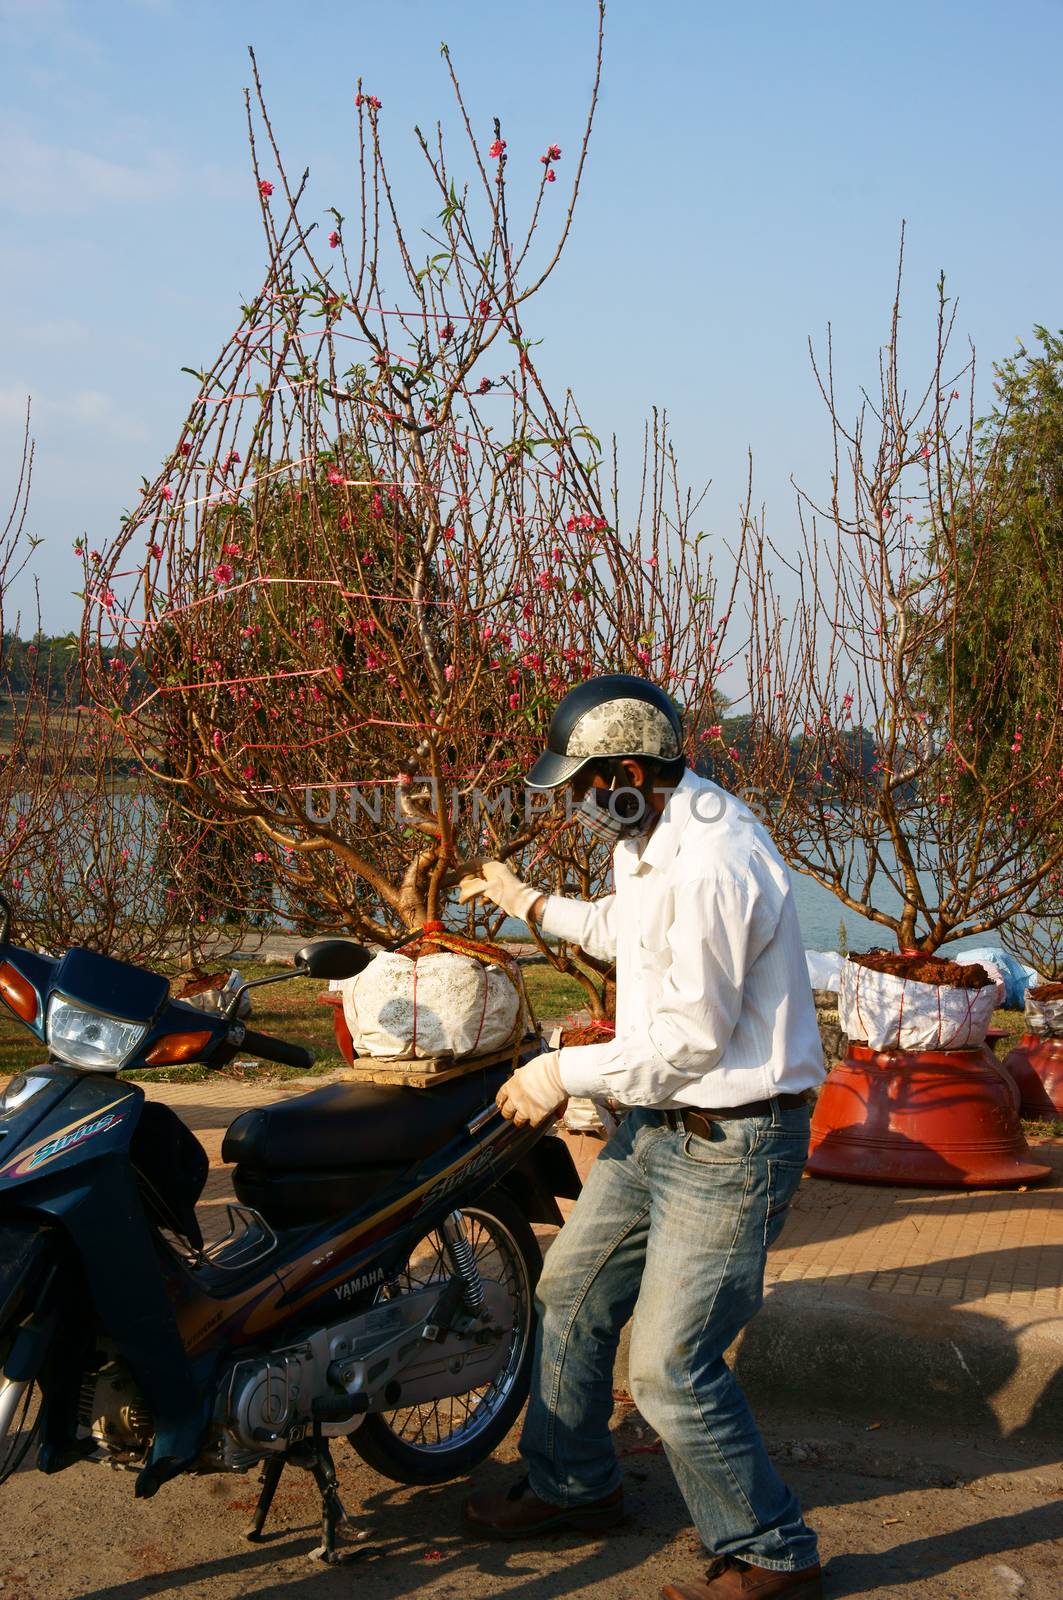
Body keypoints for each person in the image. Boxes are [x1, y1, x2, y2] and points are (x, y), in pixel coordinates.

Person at [459, 675, 825, 1600]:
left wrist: (558, 1073)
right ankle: (574, 1486)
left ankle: (771, 1551)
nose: (581, 804)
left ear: (628, 770)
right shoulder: (653, 832)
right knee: (568, 1290)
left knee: (667, 1368)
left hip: (732, 1139)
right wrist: (528, 903)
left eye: (585, 784)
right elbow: (631, 935)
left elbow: (686, 1044)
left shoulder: (713, 860)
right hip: (662, 1126)